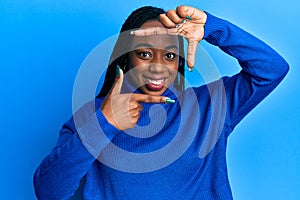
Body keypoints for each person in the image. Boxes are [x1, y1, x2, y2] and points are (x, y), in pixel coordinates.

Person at [33, 5, 289, 200]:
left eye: (169, 55)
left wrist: (212, 27)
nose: (157, 67)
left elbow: (272, 69)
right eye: (144, 53)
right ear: (126, 58)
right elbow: (49, 192)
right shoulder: (93, 115)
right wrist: (105, 123)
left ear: (178, 62)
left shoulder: (209, 106)